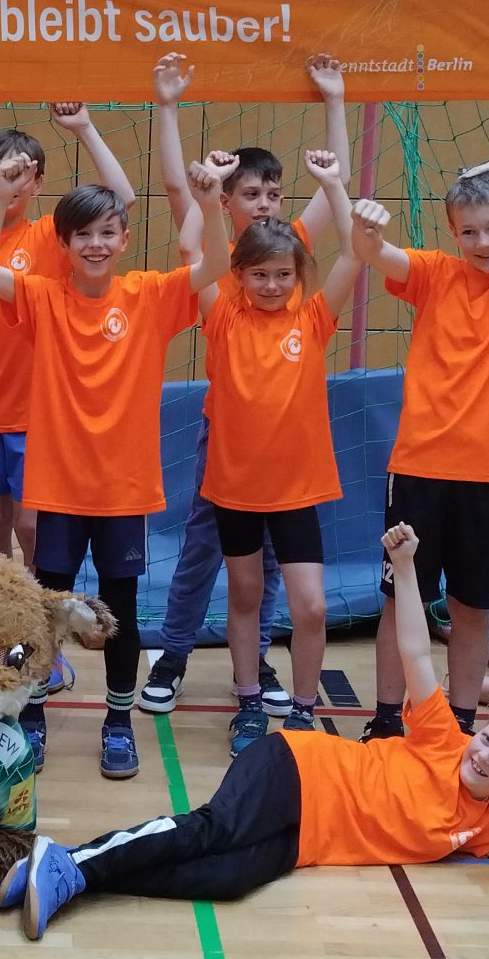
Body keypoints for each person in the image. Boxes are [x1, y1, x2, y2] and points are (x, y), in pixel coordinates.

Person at [5, 522, 489, 939]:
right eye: (488, 739)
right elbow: (415, 648)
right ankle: (72, 866)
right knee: (212, 830)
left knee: (227, 877)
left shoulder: (487, 825)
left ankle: (67, 870)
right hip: (296, 768)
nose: (483, 755)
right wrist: (408, 568)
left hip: (305, 841)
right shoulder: (444, 738)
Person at [0, 155, 224, 781]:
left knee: (119, 609)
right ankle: (32, 718)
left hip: (122, 489)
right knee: (46, 608)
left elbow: (215, 265)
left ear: (125, 238)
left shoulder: (149, 294)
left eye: (108, 232)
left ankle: (118, 722)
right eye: (83, 234)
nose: (96, 244)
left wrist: (211, 204)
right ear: (65, 244)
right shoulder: (43, 296)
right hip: (58, 487)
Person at [141, 51, 353, 718]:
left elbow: (338, 198)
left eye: (272, 194)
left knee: (268, 574)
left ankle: (257, 670)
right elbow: (182, 202)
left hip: (287, 457)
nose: (264, 203)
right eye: (250, 193)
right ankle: (176, 655)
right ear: (229, 201)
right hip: (228, 440)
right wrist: (172, 113)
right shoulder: (221, 272)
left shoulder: (291, 260)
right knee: (211, 555)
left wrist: (334, 102)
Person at [356, 158, 489, 739]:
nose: (484, 242)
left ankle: (457, 725)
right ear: (453, 233)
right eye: (469, 231)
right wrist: (367, 229)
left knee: (472, 609)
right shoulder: (434, 274)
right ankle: (386, 721)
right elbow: (374, 253)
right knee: (400, 601)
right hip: (419, 469)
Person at [186, 150, 363, 755]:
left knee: (310, 607)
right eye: (259, 274)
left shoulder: (312, 319)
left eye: (283, 274)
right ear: (239, 276)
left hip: (295, 491)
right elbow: (207, 253)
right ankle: (248, 702)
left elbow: (352, 253)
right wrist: (210, 196)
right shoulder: (222, 316)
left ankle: (304, 709)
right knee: (245, 595)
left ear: (298, 275)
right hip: (234, 488)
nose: (271, 284)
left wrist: (332, 185)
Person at [0, 110, 140, 567]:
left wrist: (83, 128)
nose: (9, 180)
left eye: (21, 173)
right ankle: (3, 610)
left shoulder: (48, 236)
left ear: (37, 184)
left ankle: (41, 608)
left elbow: (122, 199)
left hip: (35, 414)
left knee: (31, 525)